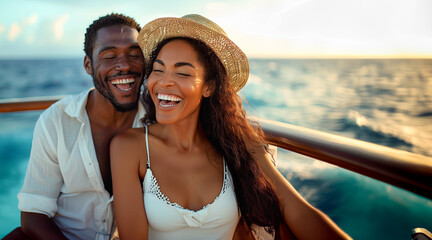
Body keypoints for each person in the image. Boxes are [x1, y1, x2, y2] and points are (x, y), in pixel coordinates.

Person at [110, 14, 352, 240]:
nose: (164, 81)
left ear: (209, 86)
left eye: (183, 73)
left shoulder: (237, 144)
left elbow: (297, 211)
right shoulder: (128, 148)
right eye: (158, 69)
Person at [6, 13, 146, 240]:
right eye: (109, 56)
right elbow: (33, 214)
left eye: (134, 55)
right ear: (88, 65)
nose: (124, 65)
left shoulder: (157, 121)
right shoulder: (56, 120)